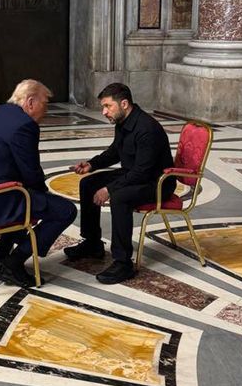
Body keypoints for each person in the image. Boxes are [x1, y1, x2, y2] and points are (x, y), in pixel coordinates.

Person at [0, 79, 77, 287]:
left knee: (29, 196)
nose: (46, 110)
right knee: (65, 210)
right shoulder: (24, 125)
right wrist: (45, 196)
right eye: (45, 103)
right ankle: (13, 263)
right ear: (31, 102)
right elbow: (31, 171)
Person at [65, 82, 174, 284]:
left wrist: (109, 189)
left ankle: (123, 262)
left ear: (124, 103)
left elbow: (142, 172)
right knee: (88, 184)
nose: (104, 111)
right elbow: (115, 151)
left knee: (120, 197)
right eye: (103, 107)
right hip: (135, 174)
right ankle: (92, 243)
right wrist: (92, 164)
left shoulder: (147, 129)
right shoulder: (123, 121)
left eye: (108, 106)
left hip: (156, 183)